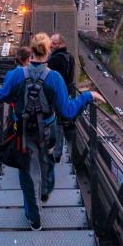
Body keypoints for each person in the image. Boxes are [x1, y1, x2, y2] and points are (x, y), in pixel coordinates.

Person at [0, 33, 103, 230]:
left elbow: (0, 95)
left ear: (31, 52)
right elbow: (68, 111)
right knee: (46, 158)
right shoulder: (55, 78)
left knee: (25, 172)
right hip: (47, 132)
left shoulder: (16, 75)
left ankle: (33, 215)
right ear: (48, 52)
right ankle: (46, 183)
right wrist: (88, 95)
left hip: (21, 134)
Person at [48, 33, 75, 163]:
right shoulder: (70, 58)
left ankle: (54, 152)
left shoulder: (54, 60)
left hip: (55, 97)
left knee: (54, 123)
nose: (51, 46)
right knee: (60, 123)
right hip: (66, 94)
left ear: (61, 44)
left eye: (54, 43)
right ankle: (57, 152)